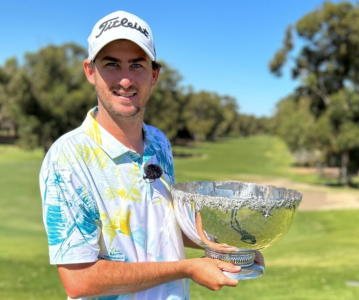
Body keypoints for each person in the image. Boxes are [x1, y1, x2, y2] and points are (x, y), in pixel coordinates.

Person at [39, 11, 263, 300]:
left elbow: (163, 227)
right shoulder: (67, 158)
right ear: (90, 71)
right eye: (111, 64)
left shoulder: (159, 142)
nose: (126, 80)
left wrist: (228, 249)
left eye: (136, 65)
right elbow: (80, 279)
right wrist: (187, 269)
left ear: (154, 74)